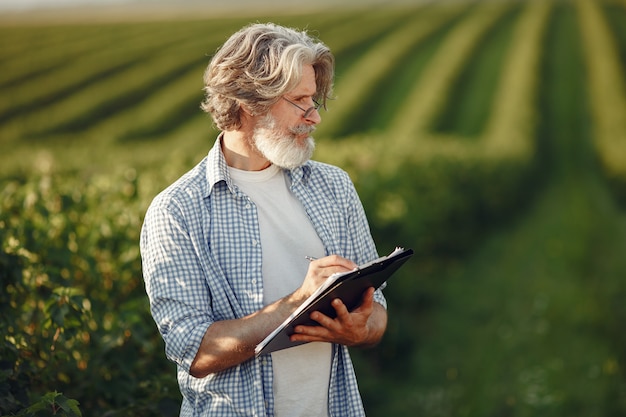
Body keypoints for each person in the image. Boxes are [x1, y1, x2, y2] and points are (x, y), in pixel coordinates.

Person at [140, 22, 388, 417]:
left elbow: (377, 312)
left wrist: (362, 328)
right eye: (300, 101)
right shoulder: (178, 211)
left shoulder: (334, 187)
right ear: (248, 102)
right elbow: (194, 350)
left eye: (314, 101)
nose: (315, 118)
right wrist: (298, 303)